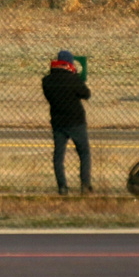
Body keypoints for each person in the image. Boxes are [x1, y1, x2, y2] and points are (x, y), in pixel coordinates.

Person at [41, 49, 92, 195]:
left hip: (58, 122)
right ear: (69, 64)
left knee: (59, 156)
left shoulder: (47, 81)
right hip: (76, 121)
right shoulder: (73, 79)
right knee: (84, 153)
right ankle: (85, 184)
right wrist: (76, 77)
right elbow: (86, 94)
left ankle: (62, 186)